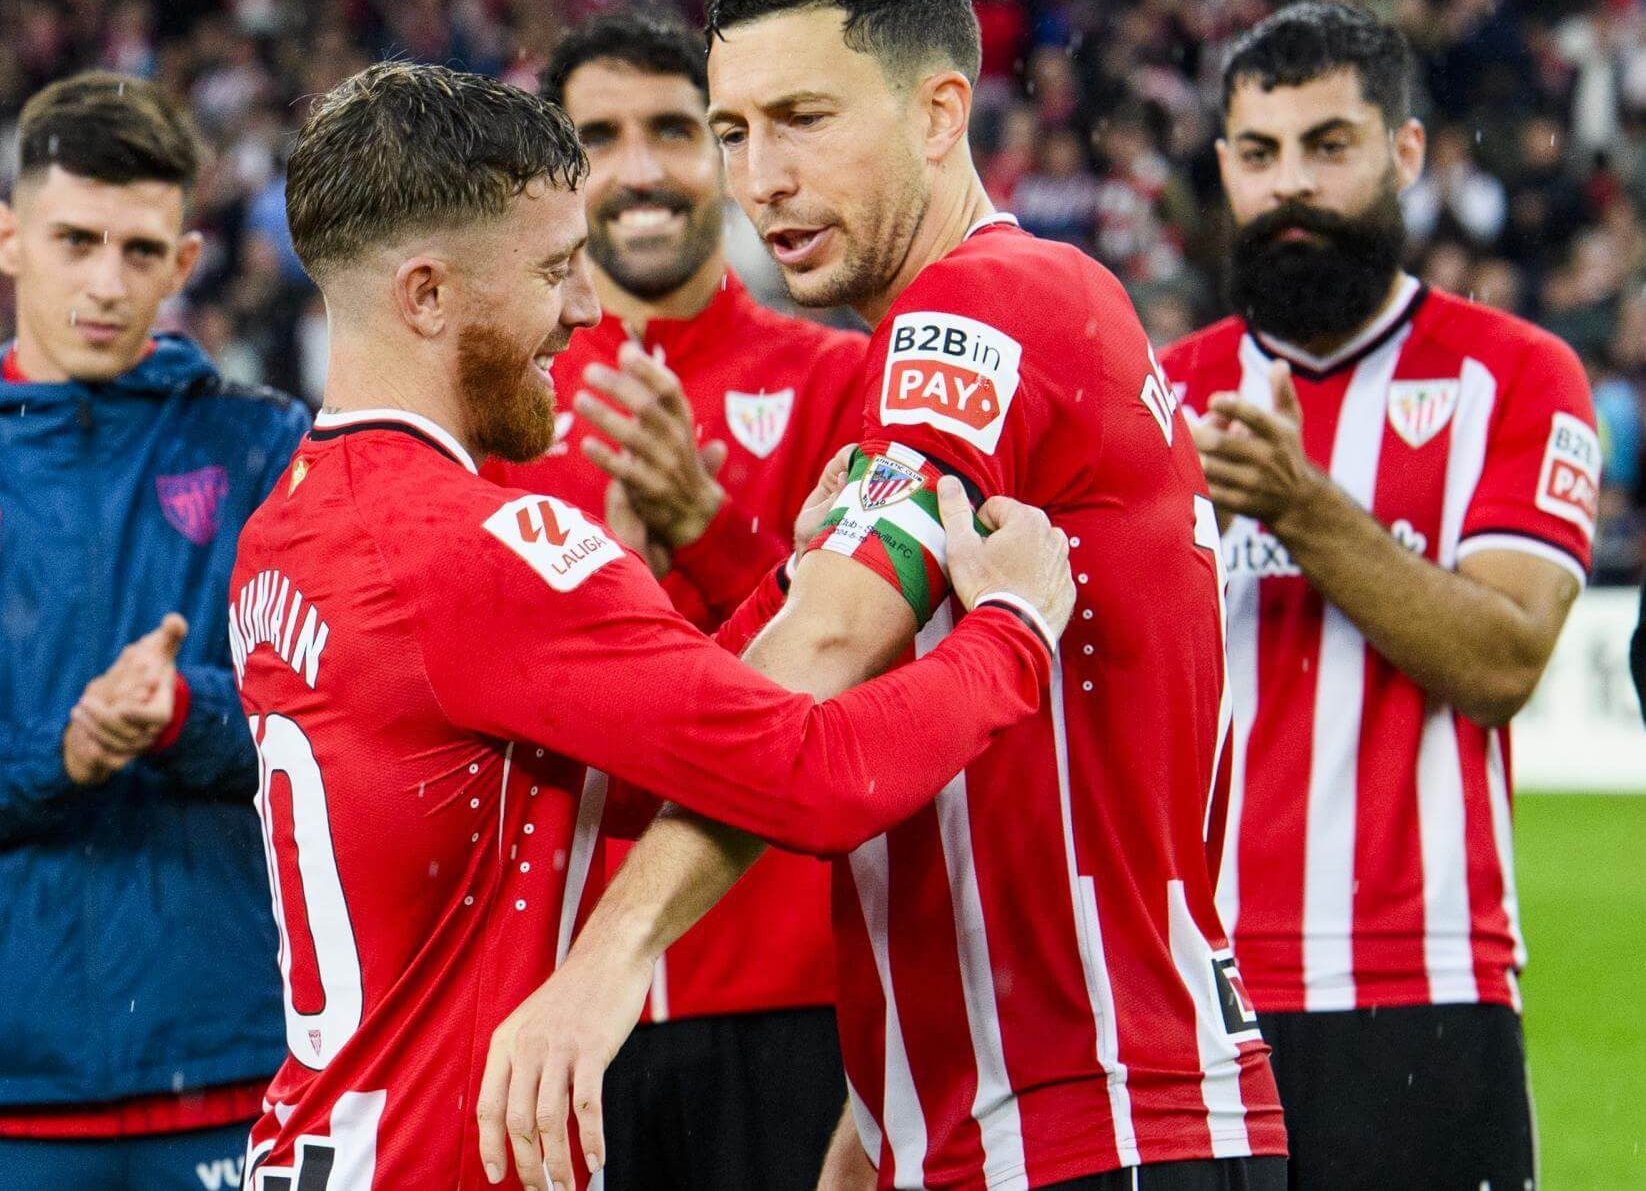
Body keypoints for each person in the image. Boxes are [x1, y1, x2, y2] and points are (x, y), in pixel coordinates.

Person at [483, 0, 1286, 1191]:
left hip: (1086, 1121)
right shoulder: (983, 332)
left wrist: (601, 965)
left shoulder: (985, 302)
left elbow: (820, 653)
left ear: (939, 113)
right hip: (1019, 1113)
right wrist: (874, 1133)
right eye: (736, 131)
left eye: (804, 120)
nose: (763, 179)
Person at [229, 59, 1075, 1191]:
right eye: (552, 272)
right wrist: (1011, 631)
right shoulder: (472, 551)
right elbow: (809, 774)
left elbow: (629, 769)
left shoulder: (283, 531)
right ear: (426, 296)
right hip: (441, 1161)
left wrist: (783, 583)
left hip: (325, 1141)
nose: (585, 311)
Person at [0, 71, 309, 1191]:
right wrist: (64, 751)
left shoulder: (264, 448)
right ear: (6, 237)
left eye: (140, 251)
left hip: (228, 1070)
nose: (106, 282)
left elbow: (327, 717)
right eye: (75, 241)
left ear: (184, 262)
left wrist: (185, 713)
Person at [1158, 2, 1595, 1190]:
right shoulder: (1156, 395)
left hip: (1420, 982)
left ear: (1403, 154)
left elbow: (1501, 661)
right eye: (1259, 154)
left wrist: (1300, 508)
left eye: (1328, 145)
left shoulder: (1515, 375)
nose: (1290, 184)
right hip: (1187, 987)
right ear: (1224, 170)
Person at [482, 9, 866, 1189]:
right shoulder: (498, 410)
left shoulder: (837, 379)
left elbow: (866, 678)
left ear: (727, 154)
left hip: (787, 988)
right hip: (555, 1001)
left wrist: (708, 525)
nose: (641, 168)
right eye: (599, 139)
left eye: (677, 130)